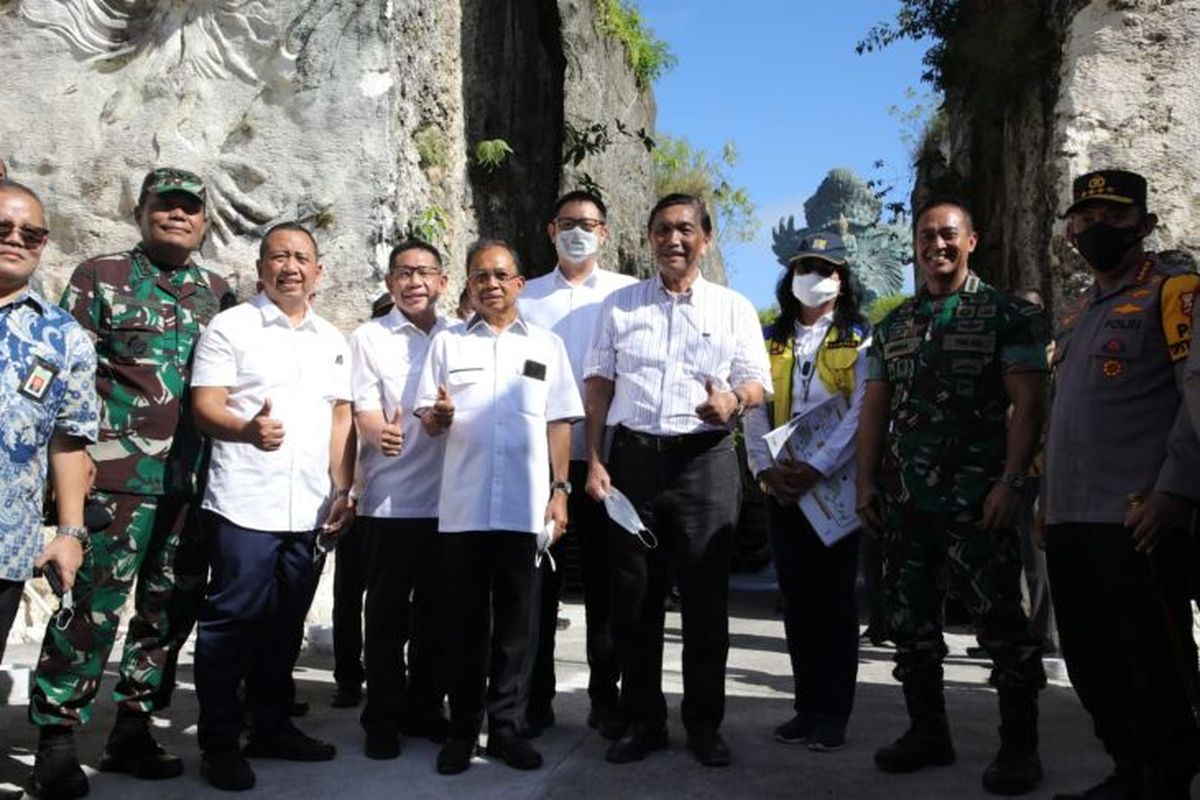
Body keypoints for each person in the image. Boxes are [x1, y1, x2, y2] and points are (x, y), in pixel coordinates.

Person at [29, 168, 236, 800]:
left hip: (192, 483)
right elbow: (69, 373)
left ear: (204, 221)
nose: (177, 216)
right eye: (165, 206)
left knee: (167, 612)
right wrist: (74, 458)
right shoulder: (101, 276)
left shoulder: (219, 293)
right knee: (90, 607)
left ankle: (133, 730)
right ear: (143, 211)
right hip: (115, 481)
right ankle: (57, 740)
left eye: (189, 209)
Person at [856, 196, 1048, 795]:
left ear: (971, 241)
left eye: (948, 236)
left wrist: (1012, 481)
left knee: (1002, 627)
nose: (936, 245)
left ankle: (1020, 749)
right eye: (925, 237)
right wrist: (864, 481)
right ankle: (927, 734)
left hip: (979, 500)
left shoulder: (1007, 316)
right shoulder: (896, 324)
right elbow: (875, 408)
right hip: (906, 502)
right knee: (911, 626)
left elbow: (1028, 403)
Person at [582, 194, 770, 768]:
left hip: (705, 463)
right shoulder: (618, 306)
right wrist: (594, 460)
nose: (673, 240)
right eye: (662, 230)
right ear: (649, 237)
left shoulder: (734, 308)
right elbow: (597, 389)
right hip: (634, 464)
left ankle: (704, 725)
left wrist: (733, 400)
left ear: (706, 239)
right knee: (634, 600)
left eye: (686, 230)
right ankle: (644, 721)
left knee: (706, 601)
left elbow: (758, 384)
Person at [1048, 169, 1200, 800]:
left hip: (1137, 520)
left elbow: (1195, 398)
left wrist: (1175, 490)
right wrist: (1043, 498)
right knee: (1092, 661)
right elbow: (1065, 413)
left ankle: (1166, 778)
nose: (1095, 228)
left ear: (1144, 224)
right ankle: (1129, 771)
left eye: (1112, 215)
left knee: (1152, 662)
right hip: (1070, 518)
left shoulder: (1175, 292)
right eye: (1083, 218)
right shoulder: (1080, 312)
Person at [190, 221, 355, 791]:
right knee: (230, 626)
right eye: (279, 257)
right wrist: (246, 431)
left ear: (318, 271)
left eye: (302, 258)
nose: (291, 266)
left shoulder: (334, 339)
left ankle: (271, 726)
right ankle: (218, 743)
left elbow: (341, 419)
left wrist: (344, 489)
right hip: (244, 505)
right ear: (260, 269)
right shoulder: (229, 327)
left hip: (309, 510)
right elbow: (205, 407)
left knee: (284, 628)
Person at [415, 239, 581, 775]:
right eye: (479, 276)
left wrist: (560, 491)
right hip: (462, 510)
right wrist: (437, 417)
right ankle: (462, 731)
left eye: (500, 274)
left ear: (519, 284)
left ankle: (506, 728)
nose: (490, 284)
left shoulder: (548, 347)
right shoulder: (447, 345)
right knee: (463, 625)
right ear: (468, 285)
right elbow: (429, 417)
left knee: (519, 625)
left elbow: (559, 421)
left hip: (523, 508)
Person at [516, 190, 636, 739]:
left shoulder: (628, 296)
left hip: (607, 463)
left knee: (609, 590)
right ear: (550, 230)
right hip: (539, 466)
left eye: (588, 224)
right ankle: (533, 699)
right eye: (567, 223)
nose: (577, 232)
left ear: (605, 233)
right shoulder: (527, 296)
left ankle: (605, 698)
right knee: (537, 585)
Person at [744, 231, 869, 752]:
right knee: (796, 600)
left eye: (824, 269)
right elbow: (752, 405)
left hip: (833, 486)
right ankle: (804, 706)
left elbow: (862, 409)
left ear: (841, 281)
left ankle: (833, 712)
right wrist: (764, 472)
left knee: (834, 602)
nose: (813, 278)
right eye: (804, 268)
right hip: (783, 488)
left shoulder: (859, 337)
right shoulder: (768, 338)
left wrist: (817, 468)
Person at [348, 239, 452, 758]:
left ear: (442, 282)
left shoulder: (460, 336)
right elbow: (362, 407)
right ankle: (382, 719)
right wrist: (377, 434)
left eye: (424, 272)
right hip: (390, 502)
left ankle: (426, 708)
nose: (414, 282)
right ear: (390, 283)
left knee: (437, 616)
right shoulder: (369, 337)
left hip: (452, 504)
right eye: (404, 273)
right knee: (385, 618)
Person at [0, 181, 97, 663]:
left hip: (5, 546)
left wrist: (69, 535)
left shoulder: (63, 337)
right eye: (3, 228)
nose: (15, 239)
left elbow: (69, 442)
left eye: (31, 234)